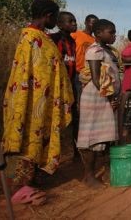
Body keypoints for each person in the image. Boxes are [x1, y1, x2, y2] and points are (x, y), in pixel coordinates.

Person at [2, 0, 74, 206]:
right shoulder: (30, 37)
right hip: (30, 99)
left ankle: (33, 178)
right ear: (49, 16)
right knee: (26, 136)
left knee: (39, 136)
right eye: (55, 17)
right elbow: (27, 71)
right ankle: (18, 187)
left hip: (42, 100)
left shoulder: (42, 37)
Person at [76, 19, 121, 188]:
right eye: (111, 32)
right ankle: (89, 176)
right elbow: (96, 79)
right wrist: (110, 99)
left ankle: (101, 172)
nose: (114, 35)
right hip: (96, 98)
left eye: (115, 32)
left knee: (104, 137)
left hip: (104, 97)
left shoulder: (107, 51)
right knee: (93, 137)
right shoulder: (94, 50)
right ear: (99, 33)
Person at [50, 11, 79, 159]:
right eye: (70, 21)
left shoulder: (73, 42)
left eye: (74, 21)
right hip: (57, 87)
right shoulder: (53, 39)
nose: (74, 23)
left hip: (71, 85)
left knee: (75, 118)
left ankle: (76, 152)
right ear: (59, 24)